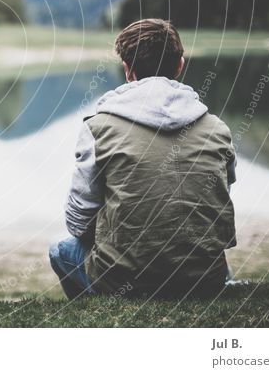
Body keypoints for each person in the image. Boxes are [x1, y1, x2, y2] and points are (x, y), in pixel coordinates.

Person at [49, 19, 237, 299]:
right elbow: (216, 196)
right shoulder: (218, 129)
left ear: (127, 70)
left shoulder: (98, 128)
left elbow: (77, 223)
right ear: (180, 66)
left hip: (125, 280)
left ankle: (96, 310)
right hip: (205, 278)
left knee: (60, 249)